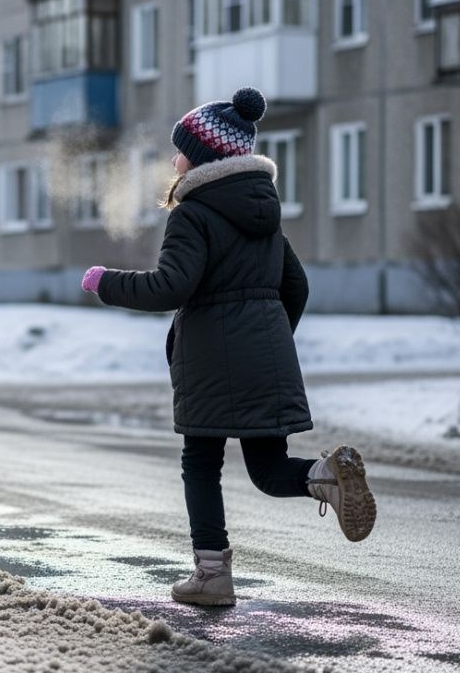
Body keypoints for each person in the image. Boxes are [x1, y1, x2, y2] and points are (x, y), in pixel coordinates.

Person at [80, 87, 377, 607]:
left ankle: (212, 576)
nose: (174, 159)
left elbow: (171, 286)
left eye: (181, 149)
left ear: (202, 158)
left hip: (212, 362)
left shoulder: (192, 214)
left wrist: (105, 282)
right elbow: (297, 286)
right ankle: (324, 474)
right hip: (266, 354)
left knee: (200, 463)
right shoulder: (266, 216)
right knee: (267, 467)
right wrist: (269, 339)